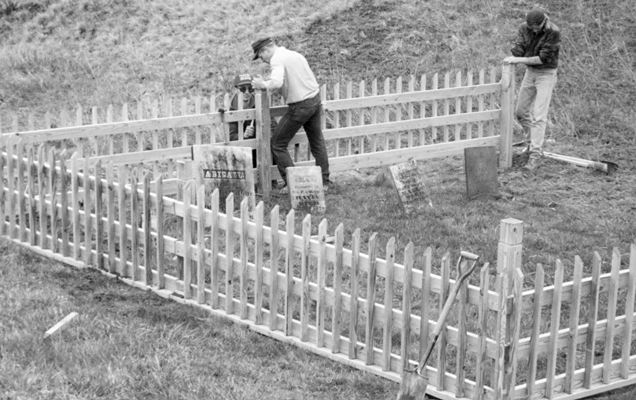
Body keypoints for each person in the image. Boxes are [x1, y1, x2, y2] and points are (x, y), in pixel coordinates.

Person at [250, 37, 331, 191]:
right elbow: (293, 79)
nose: (263, 60)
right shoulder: (294, 55)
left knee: (277, 143)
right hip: (314, 99)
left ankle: (291, 183)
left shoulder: (276, 59)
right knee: (317, 141)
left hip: (300, 105)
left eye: (261, 56)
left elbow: (277, 82)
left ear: (266, 50)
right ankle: (324, 181)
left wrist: (263, 84)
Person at [504, 8, 561, 171]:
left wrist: (517, 60)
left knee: (538, 116)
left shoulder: (553, 32)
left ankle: (535, 154)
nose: (534, 29)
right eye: (531, 27)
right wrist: (515, 51)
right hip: (531, 72)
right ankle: (531, 143)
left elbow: (542, 58)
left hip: (546, 73)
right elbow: (520, 47)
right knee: (521, 112)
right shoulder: (525, 28)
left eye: (537, 27)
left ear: (543, 21)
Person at [228, 73, 256, 141]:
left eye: (250, 89)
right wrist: (243, 135)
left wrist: (255, 131)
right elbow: (231, 136)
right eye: (242, 89)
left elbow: (269, 128)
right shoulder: (231, 109)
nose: (247, 92)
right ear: (236, 90)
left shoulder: (258, 104)